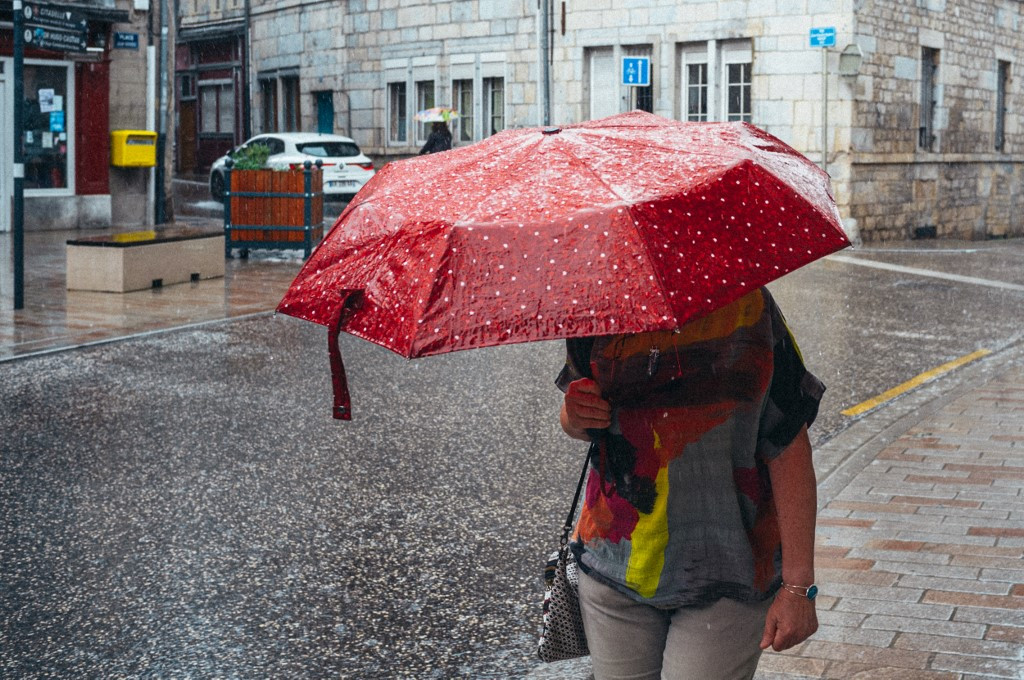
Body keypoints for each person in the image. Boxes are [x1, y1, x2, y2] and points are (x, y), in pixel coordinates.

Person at [557, 287, 821, 680]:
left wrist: (799, 586)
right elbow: (581, 420)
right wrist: (574, 416)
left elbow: (787, 445)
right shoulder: (596, 308)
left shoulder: (748, 310)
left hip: (731, 572)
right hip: (614, 567)